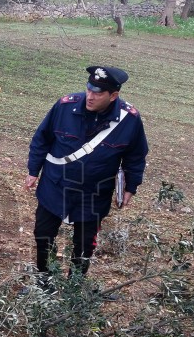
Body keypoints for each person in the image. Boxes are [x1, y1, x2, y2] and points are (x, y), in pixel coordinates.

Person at [24, 66, 149, 286]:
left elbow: (135, 155)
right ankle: (44, 282)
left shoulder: (129, 119)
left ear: (113, 96)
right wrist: (33, 170)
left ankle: (74, 289)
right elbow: (41, 137)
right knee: (43, 234)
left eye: (98, 93)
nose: (90, 96)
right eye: (89, 89)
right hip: (56, 185)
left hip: (94, 193)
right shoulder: (65, 106)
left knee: (84, 245)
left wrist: (131, 186)